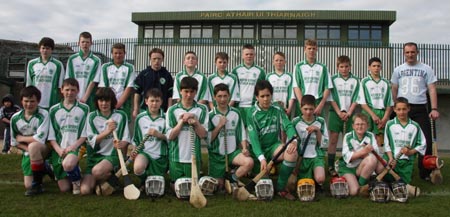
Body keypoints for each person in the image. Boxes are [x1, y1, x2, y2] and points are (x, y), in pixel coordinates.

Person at [391, 42, 439, 180]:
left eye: (412, 52)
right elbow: (394, 88)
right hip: (402, 108)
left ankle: (425, 173)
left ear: (417, 52)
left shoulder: (426, 69)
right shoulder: (398, 69)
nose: (410, 54)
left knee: (426, 141)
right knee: (399, 139)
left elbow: (432, 89)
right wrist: (396, 105)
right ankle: (398, 168)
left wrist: (434, 108)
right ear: (403, 53)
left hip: (419, 107)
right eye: (407, 52)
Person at [247, 80, 298, 200]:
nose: (265, 99)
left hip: (274, 147)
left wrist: (293, 140)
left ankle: (280, 188)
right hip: (258, 153)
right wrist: (261, 158)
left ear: (271, 95)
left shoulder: (277, 108)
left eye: (268, 95)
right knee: (265, 185)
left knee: (292, 153)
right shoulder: (252, 113)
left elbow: (288, 125)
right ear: (256, 97)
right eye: (262, 96)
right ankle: (263, 174)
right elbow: (254, 140)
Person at [80, 87, 130, 195]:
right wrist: (108, 131)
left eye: (107, 100)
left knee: (97, 172)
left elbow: (126, 139)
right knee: (85, 190)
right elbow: (93, 141)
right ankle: (109, 182)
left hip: (112, 156)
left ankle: (110, 176)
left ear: (112, 101)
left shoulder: (121, 116)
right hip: (94, 157)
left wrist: (122, 144)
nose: (104, 104)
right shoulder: (91, 117)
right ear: (96, 102)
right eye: (101, 100)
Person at [208, 83, 253, 190]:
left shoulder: (236, 113)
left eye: (225, 96)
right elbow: (209, 139)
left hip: (232, 153)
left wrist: (244, 148)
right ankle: (223, 178)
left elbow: (241, 132)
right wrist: (219, 126)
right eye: (219, 96)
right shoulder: (210, 115)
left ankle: (233, 178)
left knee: (249, 162)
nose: (223, 99)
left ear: (229, 96)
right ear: (214, 97)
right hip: (217, 155)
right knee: (219, 187)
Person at [48, 78, 89, 194]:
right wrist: (58, 149)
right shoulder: (54, 110)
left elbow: (84, 134)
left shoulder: (84, 109)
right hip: (60, 149)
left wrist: (73, 147)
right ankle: (49, 167)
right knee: (64, 188)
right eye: (67, 90)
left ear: (78, 91)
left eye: (73, 90)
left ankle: (76, 182)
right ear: (61, 90)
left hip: (76, 147)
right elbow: (51, 136)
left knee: (68, 164)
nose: (70, 93)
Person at [166, 77, 208, 186]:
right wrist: (181, 122)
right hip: (176, 158)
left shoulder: (202, 109)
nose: (189, 95)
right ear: (180, 91)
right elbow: (170, 136)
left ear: (196, 92)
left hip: (194, 158)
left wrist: (195, 121)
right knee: (176, 187)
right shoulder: (172, 110)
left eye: (192, 92)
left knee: (191, 187)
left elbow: (203, 135)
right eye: (186, 91)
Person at [10, 86, 50, 196]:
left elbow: (39, 138)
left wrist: (22, 138)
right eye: (26, 101)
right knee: (28, 185)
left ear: (38, 101)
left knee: (34, 147)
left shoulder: (44, 114)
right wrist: (28, 150)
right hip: (28, 151)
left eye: (32, 101)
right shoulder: (15, 118)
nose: (29, 104)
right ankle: (44, 167)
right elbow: (14, 142)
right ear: (21, 101)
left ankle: (38, 185)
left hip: (44, 149)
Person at [327, 55, 360, 177]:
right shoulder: (333, 79)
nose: (344, 69)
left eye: (346, 66)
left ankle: (349, 164)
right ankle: (330, 166)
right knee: (333, 140)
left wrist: (349, 113)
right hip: (335, 113)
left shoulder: (355, 80)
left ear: (350, 67)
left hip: (350, 114)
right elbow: (331, 98)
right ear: (337, 67)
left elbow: (356, 98)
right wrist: (339, 112)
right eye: (341, 67)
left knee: (350, 141)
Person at [383, 97, 426, 184]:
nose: (401, 112)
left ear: (408, 109)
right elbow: (386, 144)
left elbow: (422, 144)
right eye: (398, 109)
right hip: (392, 160)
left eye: (404, 109)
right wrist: (391, 159)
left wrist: (411, 152)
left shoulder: (415, 126)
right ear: (394, 109)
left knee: (402, 185)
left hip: (406, 162)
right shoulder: (390, 124)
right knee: (387, 182)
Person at [292, 95, 329, 192]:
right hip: (301, 157)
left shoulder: (320, 121)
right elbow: (291, 142)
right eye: (305, 109)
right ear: (301, 108)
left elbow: (325, 144)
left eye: (311, 109)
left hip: (316, 156)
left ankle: (317, 181)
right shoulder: (295, 122)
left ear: (315, 107)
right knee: (301, 182)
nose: (308, 112)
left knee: (320, 178)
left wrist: (317, 131)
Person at [132, 88, 168, 188]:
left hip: (160, 155)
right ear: (146, 101)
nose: (154, 104)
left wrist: (159, 135)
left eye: (157, 101)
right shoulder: (140, 118)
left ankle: (150, 181)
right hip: (145, 153)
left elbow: (171, 138)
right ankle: (144, 180)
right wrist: (134, 151)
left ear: (161, 102)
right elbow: (136, 138)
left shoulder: (166, 118)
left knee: (157, 184)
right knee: (138, 168)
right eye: (152, 101)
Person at [337, 113, 380, 196]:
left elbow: (376, 153)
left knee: (372, 159)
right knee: (353, 192)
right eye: (357, 124)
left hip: (361, 167)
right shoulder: (348, 136)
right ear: (353, 126)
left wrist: (357, 154)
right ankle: (348, 182)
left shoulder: (370, 136)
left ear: (367, 126)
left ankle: (361, 186)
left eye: (363, 124)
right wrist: (364, 151)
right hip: (348, 167)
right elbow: (348, 157)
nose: (360, 127)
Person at [358, 57, 393, 147]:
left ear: (381, 68)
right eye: (374, 66)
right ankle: (366, 159)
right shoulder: (364, 81)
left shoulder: (386, 82)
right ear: (369, 67)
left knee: (380, 139)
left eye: (378, 66)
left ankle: (379, 160)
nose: (376, 68)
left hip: (381, 113)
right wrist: (373, 115)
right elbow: (362, 102)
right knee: (365, 137)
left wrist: (385, 118)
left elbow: (390, 103)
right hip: (368, 112)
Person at [293, 39, 332, 116]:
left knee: (317, 127)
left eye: (314, 48)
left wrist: (321, 105)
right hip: (303, 103)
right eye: (309, 48)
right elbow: (296, 87)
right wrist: (302, 105)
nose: (311, 50)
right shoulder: (298, 66)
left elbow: (327, 87)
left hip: (317, 104)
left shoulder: (323, 67)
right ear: (305, 49)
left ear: (317, 49)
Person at [66, 31, 102, 111]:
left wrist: (85, 97)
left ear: (91, 43)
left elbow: (94, 80)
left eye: (87, 42)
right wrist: (75, 95)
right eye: (83, 42)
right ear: (78, 43)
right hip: (74, 96)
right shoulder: (72, 59)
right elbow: (69, 79)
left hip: (89, 98)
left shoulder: (96, 60)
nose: (85, 44)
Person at [99, 43, 135, 120]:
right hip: (108, 104)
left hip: (124, 105)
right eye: (115, 53)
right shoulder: (105, 67)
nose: (118, 55)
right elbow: (103, 86)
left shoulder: (130, 67)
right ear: (112, 53)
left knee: (123, 129)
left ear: (124, 53)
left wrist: (118, 104)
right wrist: (109, 103)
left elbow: (129, 87)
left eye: (120, 53)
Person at [133, 48, 174, 118]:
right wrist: (136, 109)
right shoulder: (143, 74)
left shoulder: (167, 75)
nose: (156, 61)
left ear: (162, 59)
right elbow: (137, 93)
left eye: (159, 59)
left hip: (162, 111)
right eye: (154, 59)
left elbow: (170, 94)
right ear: (150, 59)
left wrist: (169, 110)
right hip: (145, 110)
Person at [26, 37, 65, 110]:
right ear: (39, 49)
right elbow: (29, 84)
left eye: (47, 48)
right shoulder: (32, 63)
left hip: (52, 102)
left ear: (51, 50)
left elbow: (61, 86)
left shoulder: (58, 65)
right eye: (43, 48)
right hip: (36, 101)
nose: (45, 50)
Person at [232, 44, 266, 125]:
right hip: (238, 107)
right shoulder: (236, 71)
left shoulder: (260, 71)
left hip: (254, 107)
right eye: (246, 54)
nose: (249, 56)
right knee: (240, 133)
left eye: (251, 54)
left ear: (254, 55)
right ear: (242, 56)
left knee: (252, 132)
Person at [266, 51, 295, 117]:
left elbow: (291, 95)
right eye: (276, 60)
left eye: (281, 60)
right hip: (272, 109)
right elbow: (267, 93)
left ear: (285, 62)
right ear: (273, 62)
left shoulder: (289, 76)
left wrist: (289, 109)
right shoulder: (269, 76)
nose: (279, 62)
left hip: (285, 109)